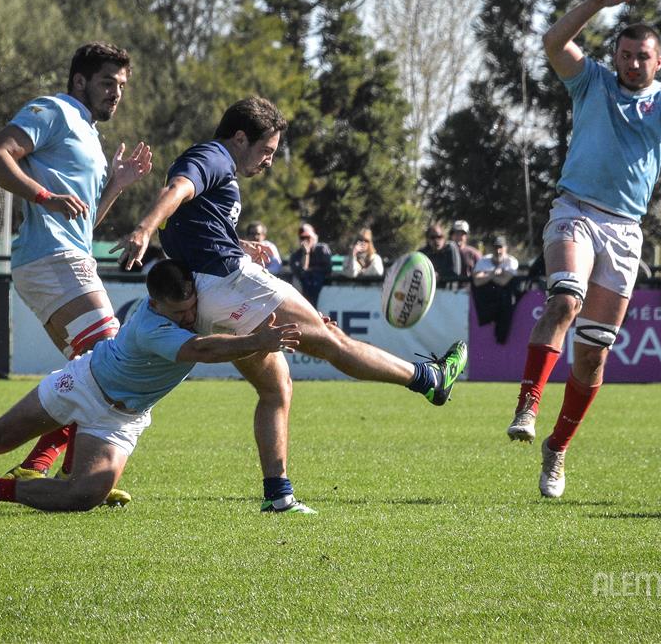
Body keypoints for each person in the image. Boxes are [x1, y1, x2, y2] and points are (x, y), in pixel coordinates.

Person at [111, 97, 468, 514]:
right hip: (230, 281)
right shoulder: (214, 156)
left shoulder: (212, 167)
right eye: (267, 151)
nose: (268, 162)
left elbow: (187, 220)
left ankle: (278, 494)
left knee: (276, 387)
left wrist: (236, 241)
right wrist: (143, 227)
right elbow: (176, 191)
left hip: (208, 299)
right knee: (331, 338)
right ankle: (429, 378)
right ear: (240, 138)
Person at [507, 0, 661, 499]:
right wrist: (593, 2)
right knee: (563, 299)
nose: (634, 62)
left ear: (659, 62)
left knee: (593, 355)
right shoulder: (591, 82)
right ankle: (527, 403)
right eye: (627, 53)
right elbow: (552, 43)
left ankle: (558, 449)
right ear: (616, 56)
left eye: (644, 56)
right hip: (575, 211)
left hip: (624, 232)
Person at [0, 260, 303, 515]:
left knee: (86, 495)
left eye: (190, 309)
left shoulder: (194, 295)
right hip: (82, 383)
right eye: (176, 312)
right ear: (152, 303)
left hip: (121, 418)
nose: (186, 316)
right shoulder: (150, 325)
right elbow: (202, 350)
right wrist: (257, 341)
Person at [0, 42, 153, 493]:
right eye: (107, 83)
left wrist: (115, 185)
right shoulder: (53, 109)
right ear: (79, 82)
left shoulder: (91, 135)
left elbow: (83, 220)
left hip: (66, 256)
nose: (116, 93)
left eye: (122, 86)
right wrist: (43, 196)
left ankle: (62, 470)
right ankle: (45, 463)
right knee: (111, 358)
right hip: (49, 256)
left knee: (92, 369)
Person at [472, 236, 522, 343]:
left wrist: (487, 275)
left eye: (500, 247)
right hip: (487, 302)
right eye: (495, 248)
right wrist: (495, 273)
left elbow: (504, 282)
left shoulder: (511, 261)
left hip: (505, 302)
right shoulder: (484, 260)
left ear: (506, 248)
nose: (498, 251)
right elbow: (476, 281)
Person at [288, 223, 333, 307]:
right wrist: (306, 253)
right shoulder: (296, 255)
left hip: (322, 289)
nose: (305, 241)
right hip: (304, 294)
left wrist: (311, 270)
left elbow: (328, 269)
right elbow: (301, 272)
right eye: (302, 238)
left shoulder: (322, 249)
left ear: (314, 237)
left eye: (307, 238)